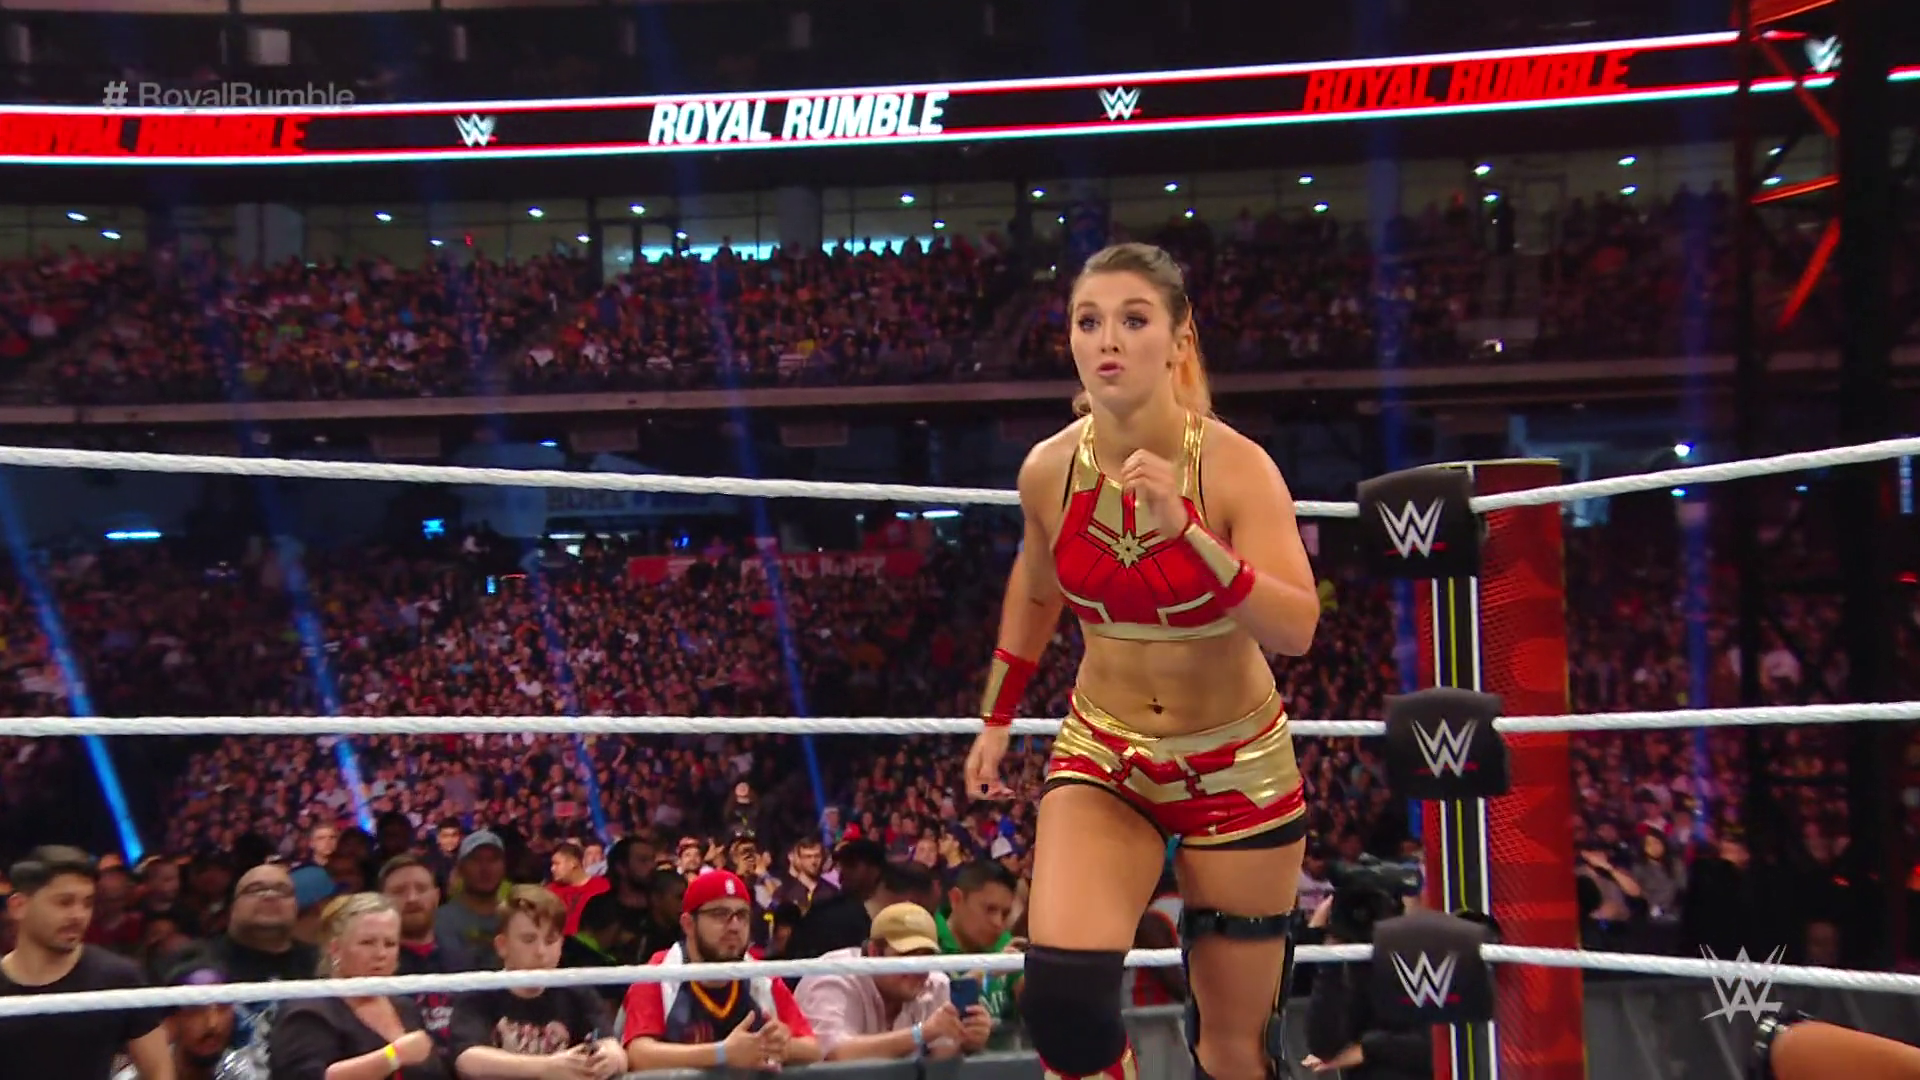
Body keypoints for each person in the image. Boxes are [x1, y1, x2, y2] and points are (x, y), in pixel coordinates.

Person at [965, 241, 1320, 1080]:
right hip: (1107, 753)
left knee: (1235, 1051)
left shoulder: (1235, 466)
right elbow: (1036, 592)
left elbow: (1297, 626)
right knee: (1063, 1007)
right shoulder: (1048, 469)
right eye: (1089, 322)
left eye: (1133, 319)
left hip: (1236, 765)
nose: (1109, 340)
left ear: (1178, 339)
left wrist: (1188, 532)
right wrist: (996, 718)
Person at [620, 870, 822, 1073]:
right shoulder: (659, 973)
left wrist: (782, 1046)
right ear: (688, 924)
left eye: (742, 915)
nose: (735, 926)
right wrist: (721, 1054)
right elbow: (638, 1054)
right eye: (720, 914)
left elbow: (814, 1049)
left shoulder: (762, 977)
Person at [0, 846, 172, 1080]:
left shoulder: (118, 977)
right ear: (19, 906)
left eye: (87, 903)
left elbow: (160, 1072)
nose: (78, 915)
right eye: (64, 902)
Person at [447, 886, 626, 1079]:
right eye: (529, 940)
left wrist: (609, 1059)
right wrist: (546, 1067)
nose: (541, 952)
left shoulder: (577, 991)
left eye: (550, 941)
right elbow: (467, 1060)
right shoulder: (481, 990)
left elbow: (615, 1050)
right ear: (502, 945)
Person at [268, 893, 451, 1080]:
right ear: (335, 949)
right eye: (367, 943)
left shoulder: (405, 1007)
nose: (381, 954)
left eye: (390, 944)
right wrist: (392, 1055)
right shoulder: (307, 1011)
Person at [794, 902, 992, 1062]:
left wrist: (967, 1041)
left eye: (926, 957)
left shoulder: (935, 983)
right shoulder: (832, 976)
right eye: (907, 957)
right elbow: (834, 1054)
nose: (918, 970)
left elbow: (940, 1059)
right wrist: (920, 1033)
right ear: (874, 952)